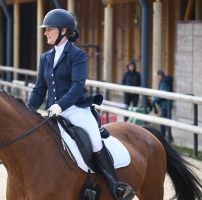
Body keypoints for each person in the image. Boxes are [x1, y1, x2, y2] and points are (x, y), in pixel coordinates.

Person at [27, 9, 135, 200]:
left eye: (49, 29)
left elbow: (77, 86)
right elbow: (38, 90)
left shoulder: (77, 55)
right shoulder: (45, 58)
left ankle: (116, 185)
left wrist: (61, 105)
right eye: (45, 30)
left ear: (62, 31)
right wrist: (28, 111)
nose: (45, 33)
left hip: (75, 109)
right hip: (53, 112)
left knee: (94, 140)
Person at [152, 69, 173, 136]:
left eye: (157, 76)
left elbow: (162, 95)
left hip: (165, 105)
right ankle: (163, 136)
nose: (156, 78)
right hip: (166, 105)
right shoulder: (165, 81)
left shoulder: (164, 83)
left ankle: (168, 137)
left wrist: (153, 100)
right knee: (163, 122)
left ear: (160, 76)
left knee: (165, 122)